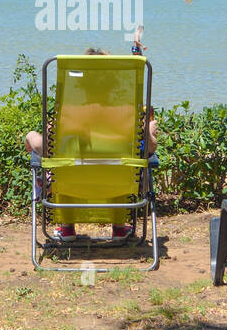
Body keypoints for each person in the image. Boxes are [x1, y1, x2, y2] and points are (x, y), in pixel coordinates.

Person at [24, 48, 158, 242]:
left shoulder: (68, 115)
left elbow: (46, 147)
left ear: (80, 83)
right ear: (113, 81)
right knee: (123, 160)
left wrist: (30, 136)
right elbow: (150, 149)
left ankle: (67, 228)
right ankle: (119, 228)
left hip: (73, 184)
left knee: (59, 160)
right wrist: (149, 129)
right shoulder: (127, 114)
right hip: (116, 184)